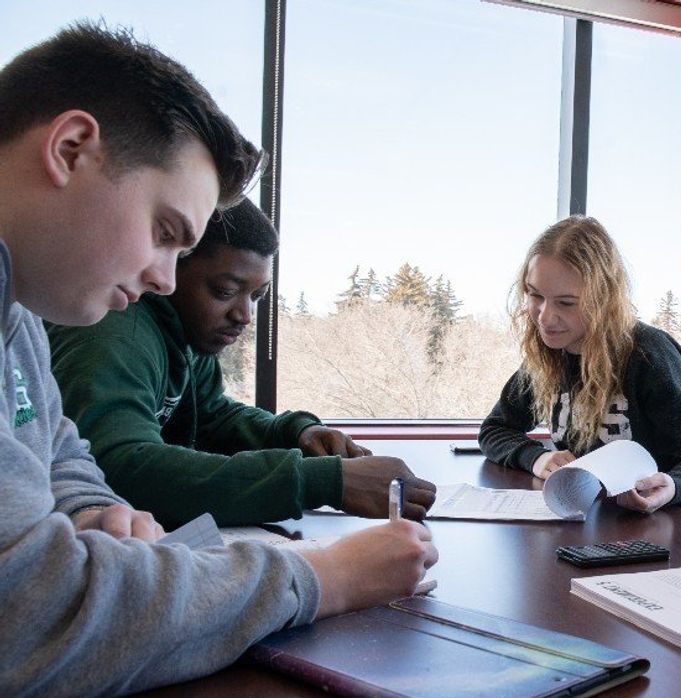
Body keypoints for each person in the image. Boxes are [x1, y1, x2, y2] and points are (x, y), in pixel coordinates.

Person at [0, 23, 436, 695]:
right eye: (164, 233)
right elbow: (28, 619)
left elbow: (61, 452)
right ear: (70, 148)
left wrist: (92, 511)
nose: (165, 282)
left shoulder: (19, 317)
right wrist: (323, 576)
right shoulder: (80, 318)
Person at [47, 198, 437, 527]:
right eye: (225, 291)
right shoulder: (115, 335)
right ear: (169, 270)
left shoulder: (184, 337)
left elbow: (214, 416)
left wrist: (294, 433)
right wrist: (325, 481)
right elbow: (119, 466)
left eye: (256, 296)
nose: (244, 315)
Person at [479, 215, 681, 522]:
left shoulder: (648, 354)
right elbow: (495, 429)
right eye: (535, 295)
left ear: (603, 300)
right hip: (600, 525)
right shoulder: (548, 357)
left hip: (678, 525)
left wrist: (673, 486)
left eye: (566, 303)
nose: (544, 317)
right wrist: (537, 458)